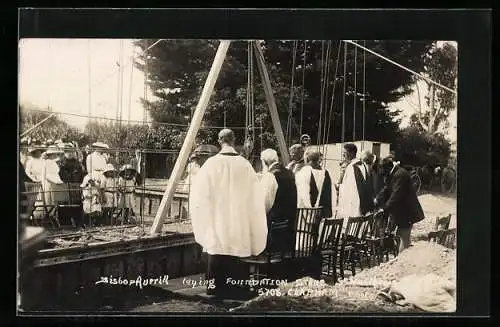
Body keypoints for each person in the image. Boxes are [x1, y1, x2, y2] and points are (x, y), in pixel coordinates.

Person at [189, 128, 268, 300]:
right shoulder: (245, 165)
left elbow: (199, 197)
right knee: (237, 254)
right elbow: (256, 198)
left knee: (217, 250)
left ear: (219, 141)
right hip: (239, 225)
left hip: (218, 224)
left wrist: (205, 220)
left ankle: (215, 291)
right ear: (233, 140)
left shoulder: (210, 165)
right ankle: (237, 290)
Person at [377, 157, 425, 253]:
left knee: (404, 236)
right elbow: (387, 188)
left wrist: (384, 208)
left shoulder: (399, 175)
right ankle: (403, 260)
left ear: (389, 167)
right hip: (404, 212)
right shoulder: (396, 172)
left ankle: (403, 261)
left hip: (407, 212)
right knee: (401, 235)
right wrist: (377, 198)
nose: (383, 173)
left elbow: (396, 195)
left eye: (383, 170)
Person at [259, 148, 297, 250]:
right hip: (289, 224)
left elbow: (265, 204)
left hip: (274, 227)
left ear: (265, 162)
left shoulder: (270, 175)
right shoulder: (290, 173)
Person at [337, 143, 373, 219]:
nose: (343, 156)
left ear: (352, 153)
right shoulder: (362, 165)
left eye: (344, 153)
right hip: (362, 203)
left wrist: (338, 186)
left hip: (353, 206)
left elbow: (349, 190)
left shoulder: (351, 167)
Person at [295, 149, 333, 218]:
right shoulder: (325, 173)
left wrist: (311, 213)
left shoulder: (303, 172)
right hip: (321, 216)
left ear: (307, 159)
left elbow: (303, 196)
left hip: (304, 217)